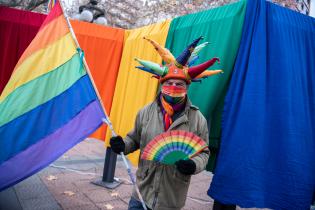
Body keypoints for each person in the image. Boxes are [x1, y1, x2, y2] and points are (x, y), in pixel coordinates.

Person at [110, 36, 222, 210]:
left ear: (187, 87)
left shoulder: (197, 118)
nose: (174, 86)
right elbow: (134, 140)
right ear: (161, 84)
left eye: (179, 84)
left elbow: (204, 153)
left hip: (172, 199)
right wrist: (122, 145)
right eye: (169, 82)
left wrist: (193, 165)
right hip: (141, 194)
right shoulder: (146, 112)